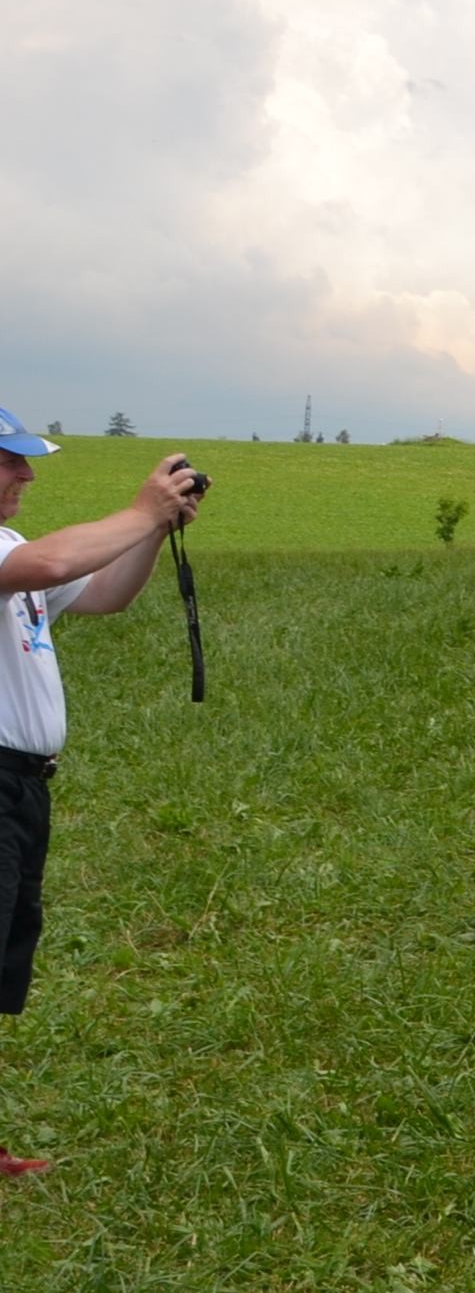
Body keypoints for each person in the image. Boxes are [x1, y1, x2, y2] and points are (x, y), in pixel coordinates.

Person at [0, 412, 206, 1177]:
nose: (27, 474)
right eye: (10, 461)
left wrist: (155, 530)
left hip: (21, 791)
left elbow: (105, 593)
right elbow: (57, 561)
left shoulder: (11, 550)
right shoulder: (21, 556)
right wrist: (141, 510)